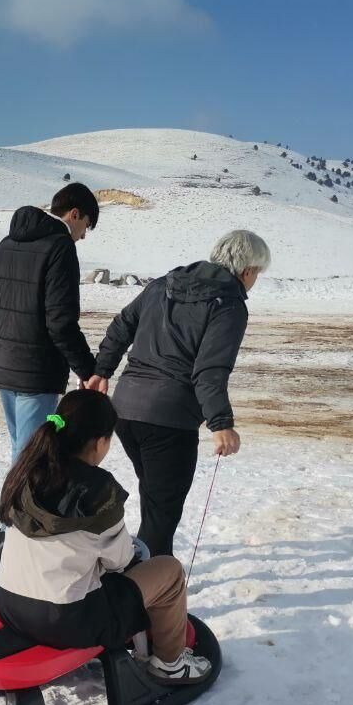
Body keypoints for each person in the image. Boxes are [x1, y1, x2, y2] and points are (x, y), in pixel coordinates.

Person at [0, 390, 211, 683]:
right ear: (100, 442)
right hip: (66, 621)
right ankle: (170, 664)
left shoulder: (25, 472)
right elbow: (120, 561)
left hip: (9, 606)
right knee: (168, 571)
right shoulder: (97, 490)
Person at [88, 229, 270, 558]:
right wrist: (221, 423)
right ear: (247, 271)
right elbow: (210, 370)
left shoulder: (164, 284)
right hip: (168, 421)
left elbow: (121, 325)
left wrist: (102, 371)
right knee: (161, 514)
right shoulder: (228, 304)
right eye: (257, 274)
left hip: (126, 411)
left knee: (157, 503)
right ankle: (147, 593)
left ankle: (152, 579)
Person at [0, 182, 99, 464]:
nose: (83, 236)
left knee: (21, 450)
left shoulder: (7, 244)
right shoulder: (61, 247)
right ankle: (19, 508)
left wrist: (9, 345)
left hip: (7, 369)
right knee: (31, 459)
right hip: (38, 373)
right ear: (75, 214)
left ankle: (17, 506)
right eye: (87, 226)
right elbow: (60, 321)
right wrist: (86, 369)